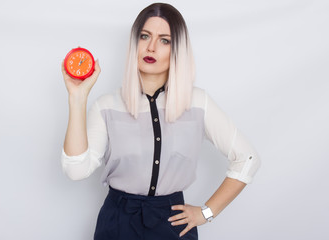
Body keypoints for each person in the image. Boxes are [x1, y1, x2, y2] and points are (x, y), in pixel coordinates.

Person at [61, 3, 260, 240]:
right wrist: (77, 98)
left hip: (173, 223)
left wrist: (206, 213)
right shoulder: (107, 106)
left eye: (164, 40)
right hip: (118, 224)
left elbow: (247, 158)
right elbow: (76, 171)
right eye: (145, 36)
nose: (151, 47)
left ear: (177, 49)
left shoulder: (198, 102)